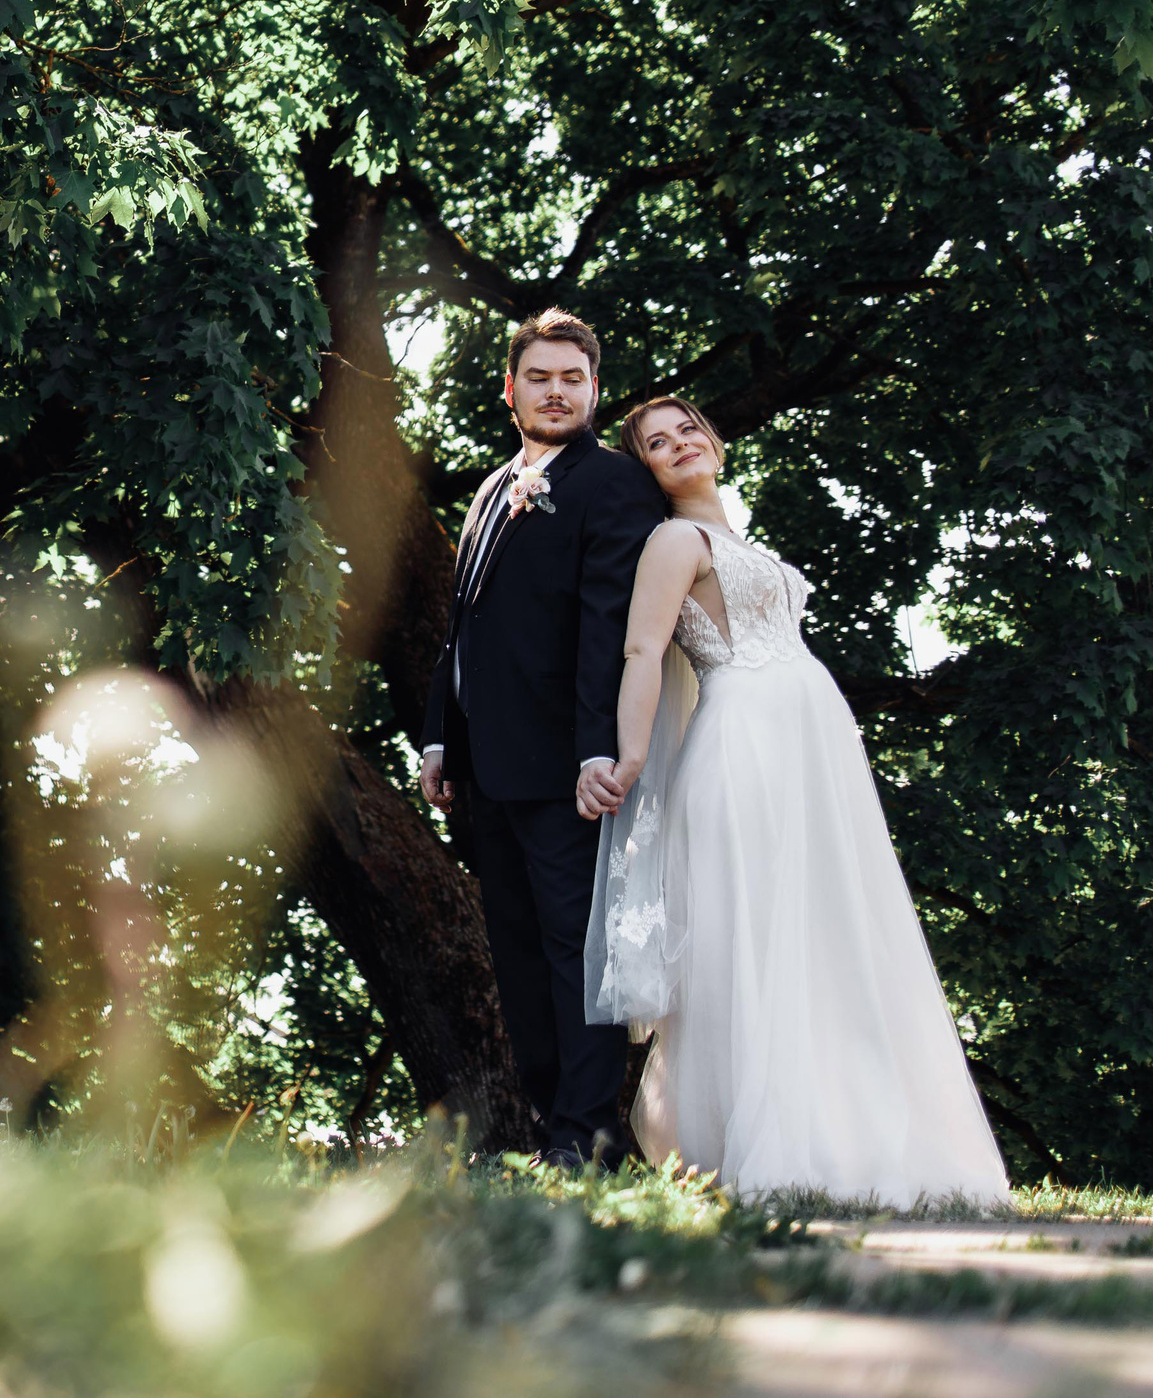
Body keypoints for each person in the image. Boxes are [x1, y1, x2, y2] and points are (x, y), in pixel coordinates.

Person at [584, 395, 1010, 1206]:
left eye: (686, 431)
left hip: (810, 754)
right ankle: (770, 1145)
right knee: (761, 931)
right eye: (655, 444)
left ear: (714, 438)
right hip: (743, 743)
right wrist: (630, 754)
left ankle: (852, 1133)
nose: (677, 445)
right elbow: (643, 646)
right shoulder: (677, 540)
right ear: (646, 470)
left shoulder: (748, 542)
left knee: (826, 932)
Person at [421, 308, 662, 1168]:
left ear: (594, 389)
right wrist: (437, 739)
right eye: (540, 377)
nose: (556, 392)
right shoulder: (492, 487)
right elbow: (462, 629)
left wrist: (598, 748)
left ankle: (590, 1134)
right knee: (520, 959)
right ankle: (550, 1122)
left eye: (572, 379)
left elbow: (612, 628)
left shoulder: (614, 484)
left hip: (568, 769)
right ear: (512, 388)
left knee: (576, 954)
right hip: (486, 769)